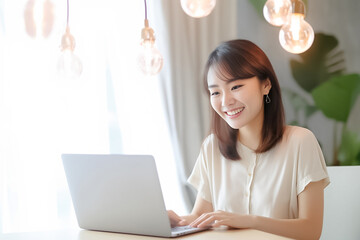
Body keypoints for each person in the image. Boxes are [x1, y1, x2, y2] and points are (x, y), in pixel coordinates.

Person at [168, 39, 330, 240]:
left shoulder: (301, 142)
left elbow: (310, 231)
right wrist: (174, 221)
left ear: (266, 85)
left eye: (236, 86)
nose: (226, 101)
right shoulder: (212, 147)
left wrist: (250, 221)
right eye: (215, 92)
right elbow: (200, 217)